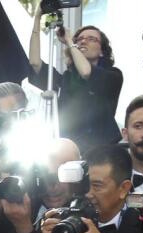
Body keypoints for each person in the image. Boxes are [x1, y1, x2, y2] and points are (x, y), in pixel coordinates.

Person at [29, 14, 122, 155]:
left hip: (101, 150)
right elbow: (35, 63)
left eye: (91, 39)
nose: (83, 42)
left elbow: (86, 72)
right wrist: (37, 18)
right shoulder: (66, 79)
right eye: (79, 39)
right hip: (67, 150)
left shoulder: (112, 75)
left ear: (102, 51)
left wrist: (69, 40)